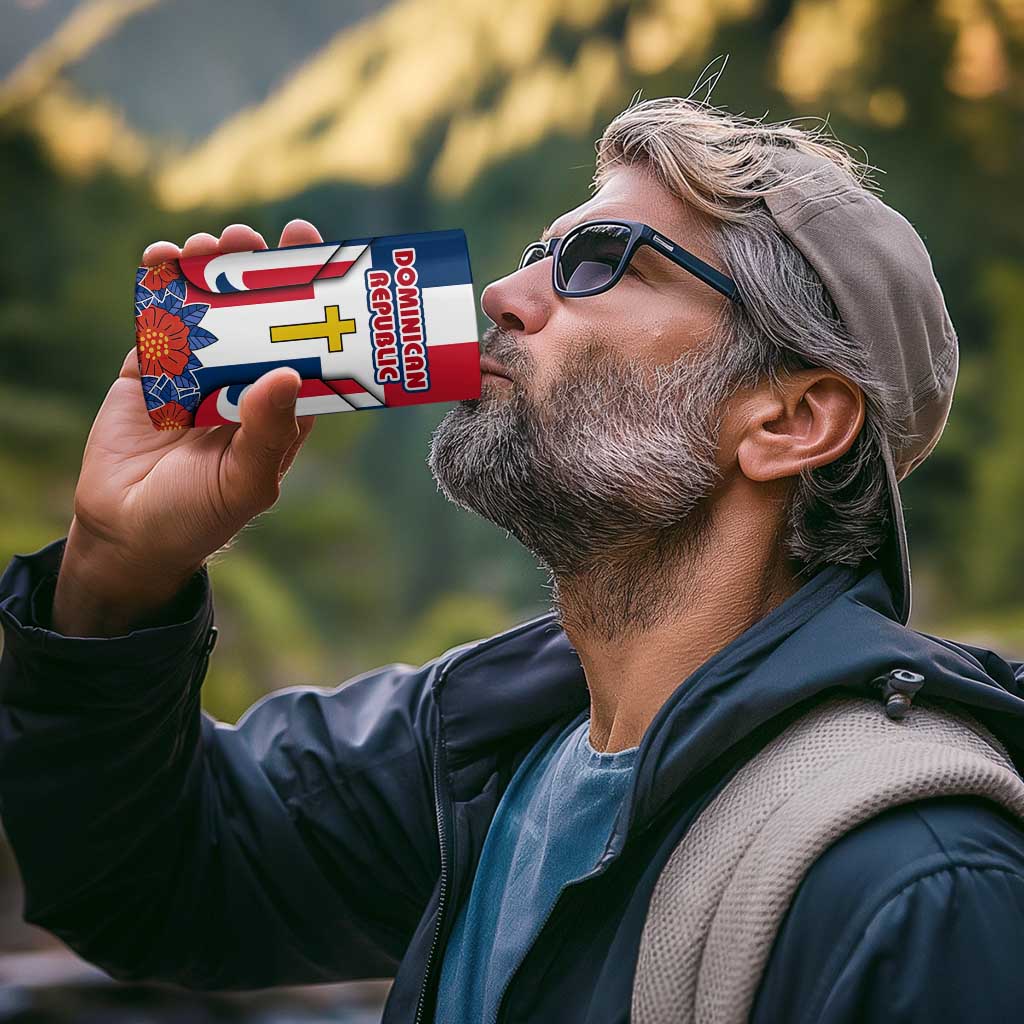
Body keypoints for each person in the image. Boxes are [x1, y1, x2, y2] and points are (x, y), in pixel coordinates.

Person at [2, 94, 1024, 1024]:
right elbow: (148, 880)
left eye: (599, 261)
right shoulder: (480, 749)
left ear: (790, 419)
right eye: (540, 252)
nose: (502, 292)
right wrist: (115, 571)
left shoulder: (918, 884)